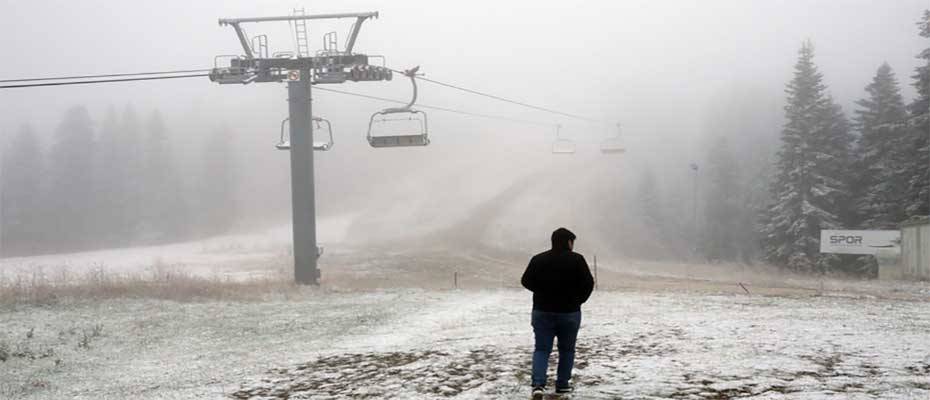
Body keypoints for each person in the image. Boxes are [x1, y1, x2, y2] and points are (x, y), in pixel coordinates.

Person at [521, 227, 594, 398]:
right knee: (567, 350)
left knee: (541, 349)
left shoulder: (538, 259)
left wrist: (541, 291)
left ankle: (538, 384)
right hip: (569, 312)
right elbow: (588, 283)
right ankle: (562, 385)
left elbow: (525, 281)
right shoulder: (577, 260)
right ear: (569, 242)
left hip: (542, 311)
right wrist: (578, 300)